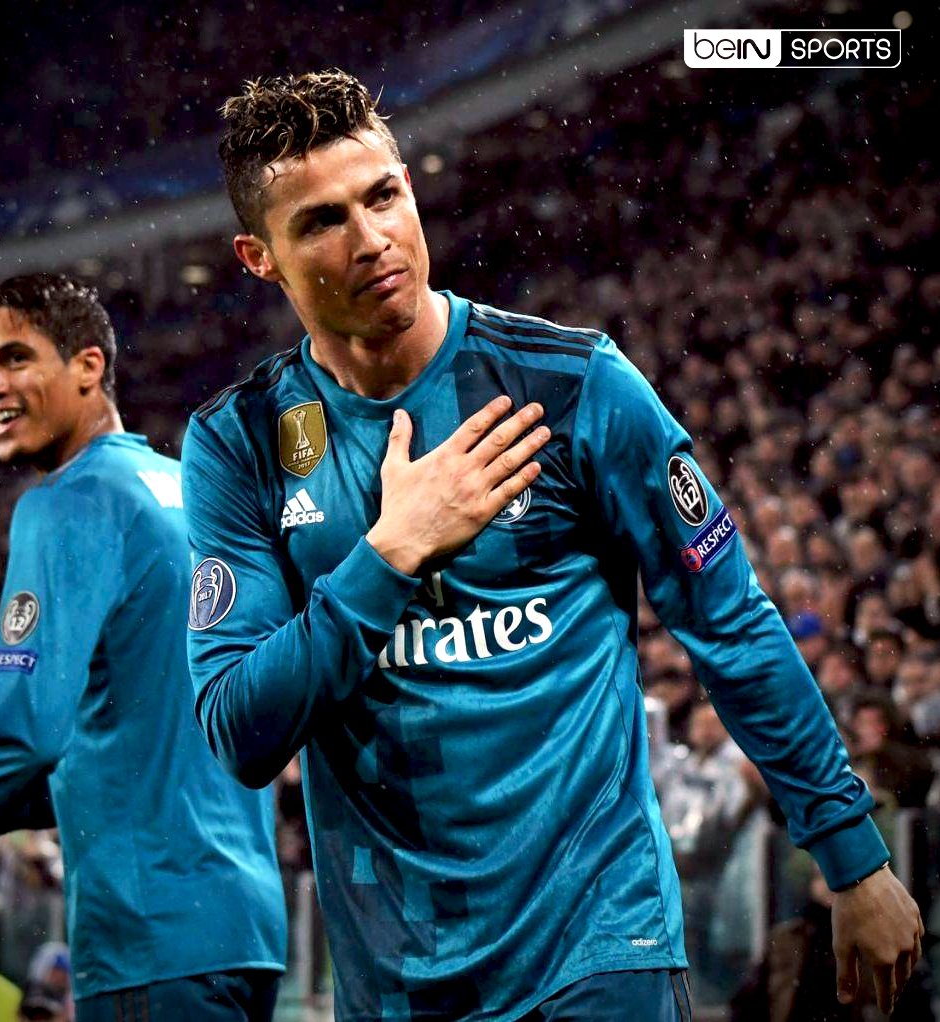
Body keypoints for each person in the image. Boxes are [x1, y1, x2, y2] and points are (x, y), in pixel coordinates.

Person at [181, 70, 923, 1020]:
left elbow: (731, 624)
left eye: (384, 196)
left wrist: (852, 855)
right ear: (259, 258)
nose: (371, 239)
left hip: (599, 946)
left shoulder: (573, 386)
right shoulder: (240, 441)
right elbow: (239, 730)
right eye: (322, 221)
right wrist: (391, 555)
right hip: (397, 979)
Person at [0, 274, 286, 1020]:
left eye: (16, 358)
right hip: (244, 930)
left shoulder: (69, 502)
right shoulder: (189, 491)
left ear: (88, 365)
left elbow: (26, 739)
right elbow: (147, 751)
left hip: (147, 934)